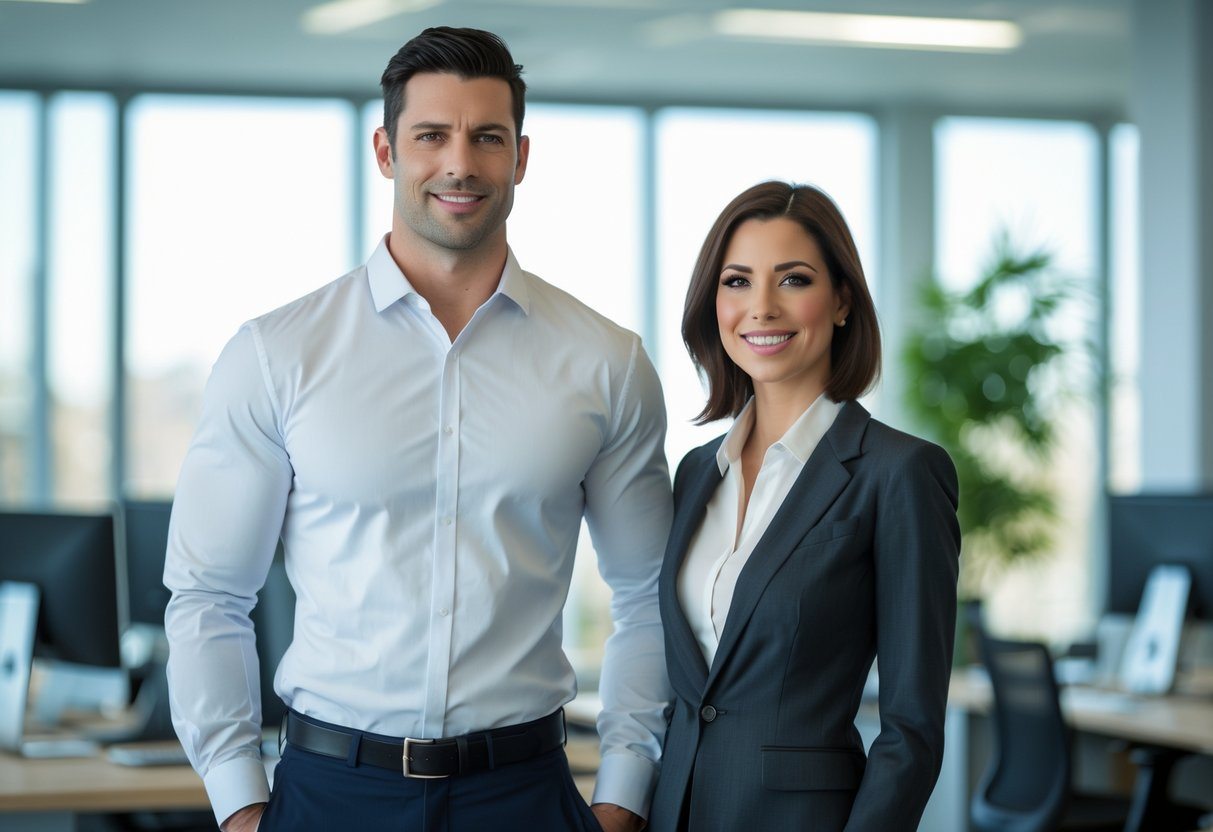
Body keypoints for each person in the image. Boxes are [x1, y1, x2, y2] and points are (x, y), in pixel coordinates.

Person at [163, 27, 671, 832]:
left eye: (487, 138)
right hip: (330, 793)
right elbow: (210, 595)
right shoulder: (277, 354)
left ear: (522, 156)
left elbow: (646, 595)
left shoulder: (605, 362)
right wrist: (238, 807)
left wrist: (621, 798)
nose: (459, 164)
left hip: (526, 795)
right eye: (431, 135)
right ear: (386, 150)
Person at [647, 181, 960, 832]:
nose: (760, 307)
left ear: (841, 300)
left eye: (792, 280)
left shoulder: (897, 473)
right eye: (736, 281)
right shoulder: (697, 472)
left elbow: (912, 727)